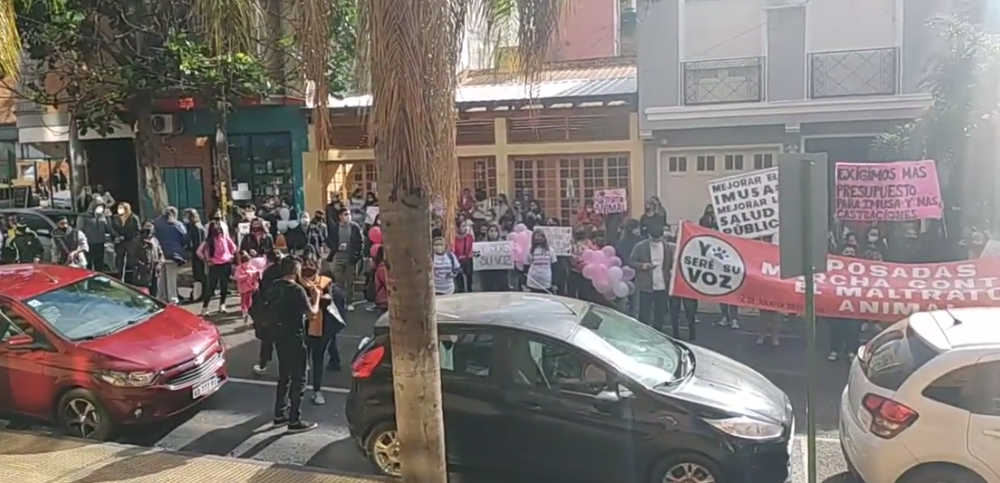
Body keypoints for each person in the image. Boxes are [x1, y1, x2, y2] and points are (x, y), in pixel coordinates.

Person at [265, 256, 319, 433]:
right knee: (299, 379)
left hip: (278, 336)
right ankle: (294, 419)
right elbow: (312, 314)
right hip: (295, 336)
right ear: (296, 271)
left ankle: (279, 414)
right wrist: (316, 298)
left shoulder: (274, 286)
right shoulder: (296, 290)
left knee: (284, 376)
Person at [303, 256, 346, 404]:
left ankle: (316, 390)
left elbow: (330, 299)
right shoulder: (298, 284)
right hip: (303, 327)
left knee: (317, 359)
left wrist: (321, 298)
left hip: (320, 328)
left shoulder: (324, 283)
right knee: (303, 360)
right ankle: (303, 391)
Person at [630, 224, 673, 331]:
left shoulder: (667, 247)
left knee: (660, 315)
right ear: (649, 236)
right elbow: (631, 261)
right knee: (644, 314)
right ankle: (643, 334)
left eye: (658, 239)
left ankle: (658, 334)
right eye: (654, 239)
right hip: (646, 286)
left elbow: (671, 263)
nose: (656, 241)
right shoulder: (640, 246)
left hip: (662, 285)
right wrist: (642, 266)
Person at [828, 244, 863, 361]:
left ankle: (851, 351)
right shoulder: (835, 269)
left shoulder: (862, 269)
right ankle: (834, 350)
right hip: (837, 303)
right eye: (847, 251)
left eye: (852, 252)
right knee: (836, 328)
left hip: (854, 304)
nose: (849, 254)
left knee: (852, 329)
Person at [252, 249, 284, 375]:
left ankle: (263, 364)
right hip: (285, 310)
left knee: (267, 341)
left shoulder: (268, 273)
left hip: (271, 310)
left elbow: (263, 292)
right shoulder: (284, 270)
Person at [196, 221, 237, 315]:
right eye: (215, 230)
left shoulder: (225, 238)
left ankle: (222, 305)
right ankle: (205, 307)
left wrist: (230, 256)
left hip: (225, 264)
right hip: (215, 266)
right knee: (211, 287)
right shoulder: (208, 241)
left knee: (224, 286)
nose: (218, 231)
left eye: (219, 229)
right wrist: (207, 260)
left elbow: (234, 247)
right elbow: (199, 251)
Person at [325, 208, 363, 309]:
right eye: (345, 214)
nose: (348, 216)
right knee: (338, 281)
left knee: (350, 281)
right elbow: (329, 240)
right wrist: (336, 247)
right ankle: (339, 301)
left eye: (349, 214)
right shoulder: (335, 228)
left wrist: (357, 255)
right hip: (338, 258)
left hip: (350, 258)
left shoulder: (355, 227)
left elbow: (360, 242)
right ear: (340, 216)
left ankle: (349, 302)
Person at [154, 206, 188, 303]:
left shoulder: (156, 223)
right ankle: (172, 299)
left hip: (159, 255)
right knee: (171, 280)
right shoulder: (178, 225)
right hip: (173, 255)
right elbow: (185, 239)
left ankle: (161, 299)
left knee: (160, 280)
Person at [615, 219, 642, 316]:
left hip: (622, 274)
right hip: (635, 274)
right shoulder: (639, 242)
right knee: (635, 304)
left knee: (622, 301)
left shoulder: (620, 242)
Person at [78, 202, 113, 273]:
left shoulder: (103, 217)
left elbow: (109, 229)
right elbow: (79, 230)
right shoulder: (84, 216)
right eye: (99, 207)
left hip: (100, 244)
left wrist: (108, 217)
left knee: (99, 265)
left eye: (102, 207)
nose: (100, 209)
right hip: (88, 244)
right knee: (88, 266)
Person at [132, 221, 165, 296]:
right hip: (142, 273)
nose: (149, 228)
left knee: (154, 292)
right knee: (143, 293)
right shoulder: (137, 241)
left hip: (155, 272)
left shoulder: (155, 240)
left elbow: (161, 254)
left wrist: (160, 264)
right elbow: (133, 257)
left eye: (150, 226)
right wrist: (143, 266)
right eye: (147, 226)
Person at [112, 202, 140, 281]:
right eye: (118, 208)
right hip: (119, 243)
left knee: (132, 261)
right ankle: (121, 279)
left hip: (130, 242)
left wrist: (125, 237)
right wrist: (116, 237)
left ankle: (134, 279)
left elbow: (137, 230)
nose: (119, 210)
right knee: (119, 262)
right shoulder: (116, 218)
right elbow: (112, 228)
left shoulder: (134, 218)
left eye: (121, 208)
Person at [184, 210, 208, 302]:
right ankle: (200, 294)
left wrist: (191, 249)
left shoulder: (196, 227)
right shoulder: (196, 226)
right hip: (198, 254)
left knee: (199, 275)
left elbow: (197, 243)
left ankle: (200, 295)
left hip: (198, 254)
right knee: (200, 275)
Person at [478, 224, 509, 291]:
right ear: (488, 232)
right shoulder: (481, 244)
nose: (493, 233)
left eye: (495, 231)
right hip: (486, 273)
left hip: (500, 272)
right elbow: (478, 258)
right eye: (491, 231)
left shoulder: (504, 244)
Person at [235, 250, 263, 324]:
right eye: (245, 264)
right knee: (244, 300)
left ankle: (249, 311)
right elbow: (238, 278)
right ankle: (244, 311)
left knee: (250, 300)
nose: (247, 265)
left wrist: (256, 275)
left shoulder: (251, 267)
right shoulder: (239, 269)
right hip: (243, 288)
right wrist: (246, 276)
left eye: (248, 263)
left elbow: (255, 276)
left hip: (251, 287)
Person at [431, 230, 461, 295]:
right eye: (436, 245)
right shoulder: (431, 257)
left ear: (445, 245)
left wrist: (451, 274)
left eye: (441, 244)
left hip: (449, 289)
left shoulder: (451, 256)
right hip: (435, 289)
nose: (438, 247)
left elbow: (457, 269)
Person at [453, 221, 475, 292]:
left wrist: (468, 255)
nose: (465, 228)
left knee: (469, 276)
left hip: (467, 260)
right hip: (456, 261)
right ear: (457, 228)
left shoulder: (469, 237)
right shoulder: (453, 238)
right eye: (463, 226)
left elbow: (471, 248)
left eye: (466, 226)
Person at [373, 246, 389, 313]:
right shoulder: (383, 268)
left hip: (382, 299)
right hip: (385, 299)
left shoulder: (379, 267)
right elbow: (387, 283)